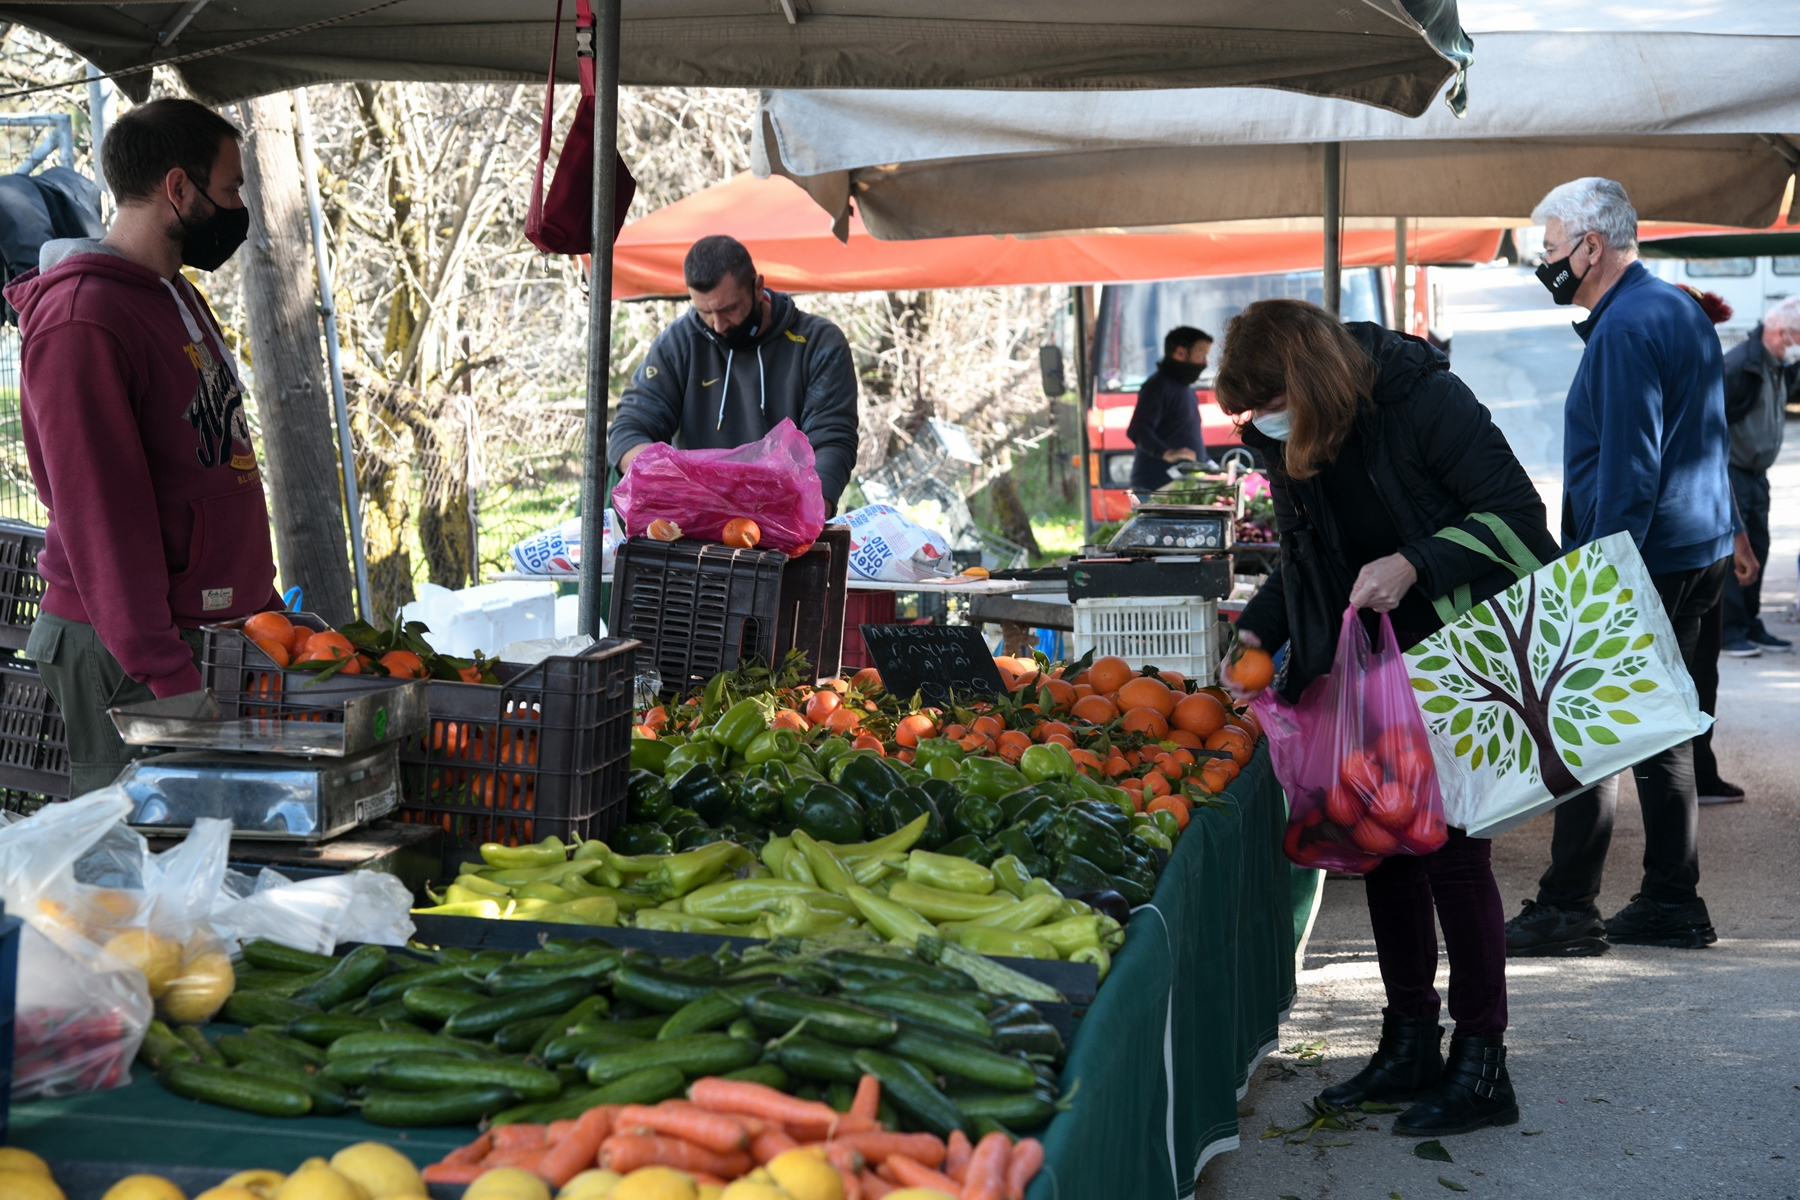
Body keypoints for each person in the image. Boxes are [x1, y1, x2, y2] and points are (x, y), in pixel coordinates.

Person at [1218, 298, 1560, 1138]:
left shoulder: (1423, 399)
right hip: (1374, 672)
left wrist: (1415, 562)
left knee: (1452, 854)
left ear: (1305, 381)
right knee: (1385, 845)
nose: (1261, 423)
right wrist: (1258, 631)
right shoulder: (1289, 442)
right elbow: (1307, 562)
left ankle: (1484, 1063)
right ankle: (1409, 1039)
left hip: (1462, 649)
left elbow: (1520, 520)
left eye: (1267, 403)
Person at [2, 98, 277, 795]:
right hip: (122, 646)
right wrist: (163, 671)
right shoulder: (83, 321)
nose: (239, 205)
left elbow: (213, 462)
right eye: (231, 188)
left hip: (185, 631)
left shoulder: (173, 294)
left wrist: (261, 604)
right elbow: (101, 519)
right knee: (134, 872)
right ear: (178, 190)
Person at [1504, 178, 1734, 957]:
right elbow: (1702, 435)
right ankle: (1673, 900)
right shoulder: (1673, 306)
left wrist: (1599, 576)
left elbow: (1630, 467)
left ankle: (1568, 907)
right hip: (1695, 546)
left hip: (1648, 555)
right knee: (1663, 732)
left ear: (1590, 247)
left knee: (1584, 729)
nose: (1547, 262)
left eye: (1551, 249)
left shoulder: (1625, 328)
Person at [608, 235, 859, 512]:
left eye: (729, 309)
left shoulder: (818, 343)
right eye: (704, 311)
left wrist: (809, 514)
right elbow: (627, 434)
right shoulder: (678, 342)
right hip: (698, 517)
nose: (717, 325)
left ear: (758, 287)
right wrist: (685, 487)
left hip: (786, 515)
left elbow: (833, 442)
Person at [1719, 296, 1800, 656]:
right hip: (1732, 471)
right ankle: (1730, 630)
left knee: (1760, 547)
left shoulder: (1777, 363)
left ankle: (1750, 622)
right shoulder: (1740, 365)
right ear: (1783, 333)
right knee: (1737, 550)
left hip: (1757, 473)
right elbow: (1710, 421)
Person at [1126, 325, 1212, 494]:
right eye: (1201, 354)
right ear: (1180, 353)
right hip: (1156, 488)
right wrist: (1167, 453)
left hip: (1180, 485)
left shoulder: (1186, 389)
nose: (1204, 363)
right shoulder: (1157, 386)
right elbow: (1138, 429)